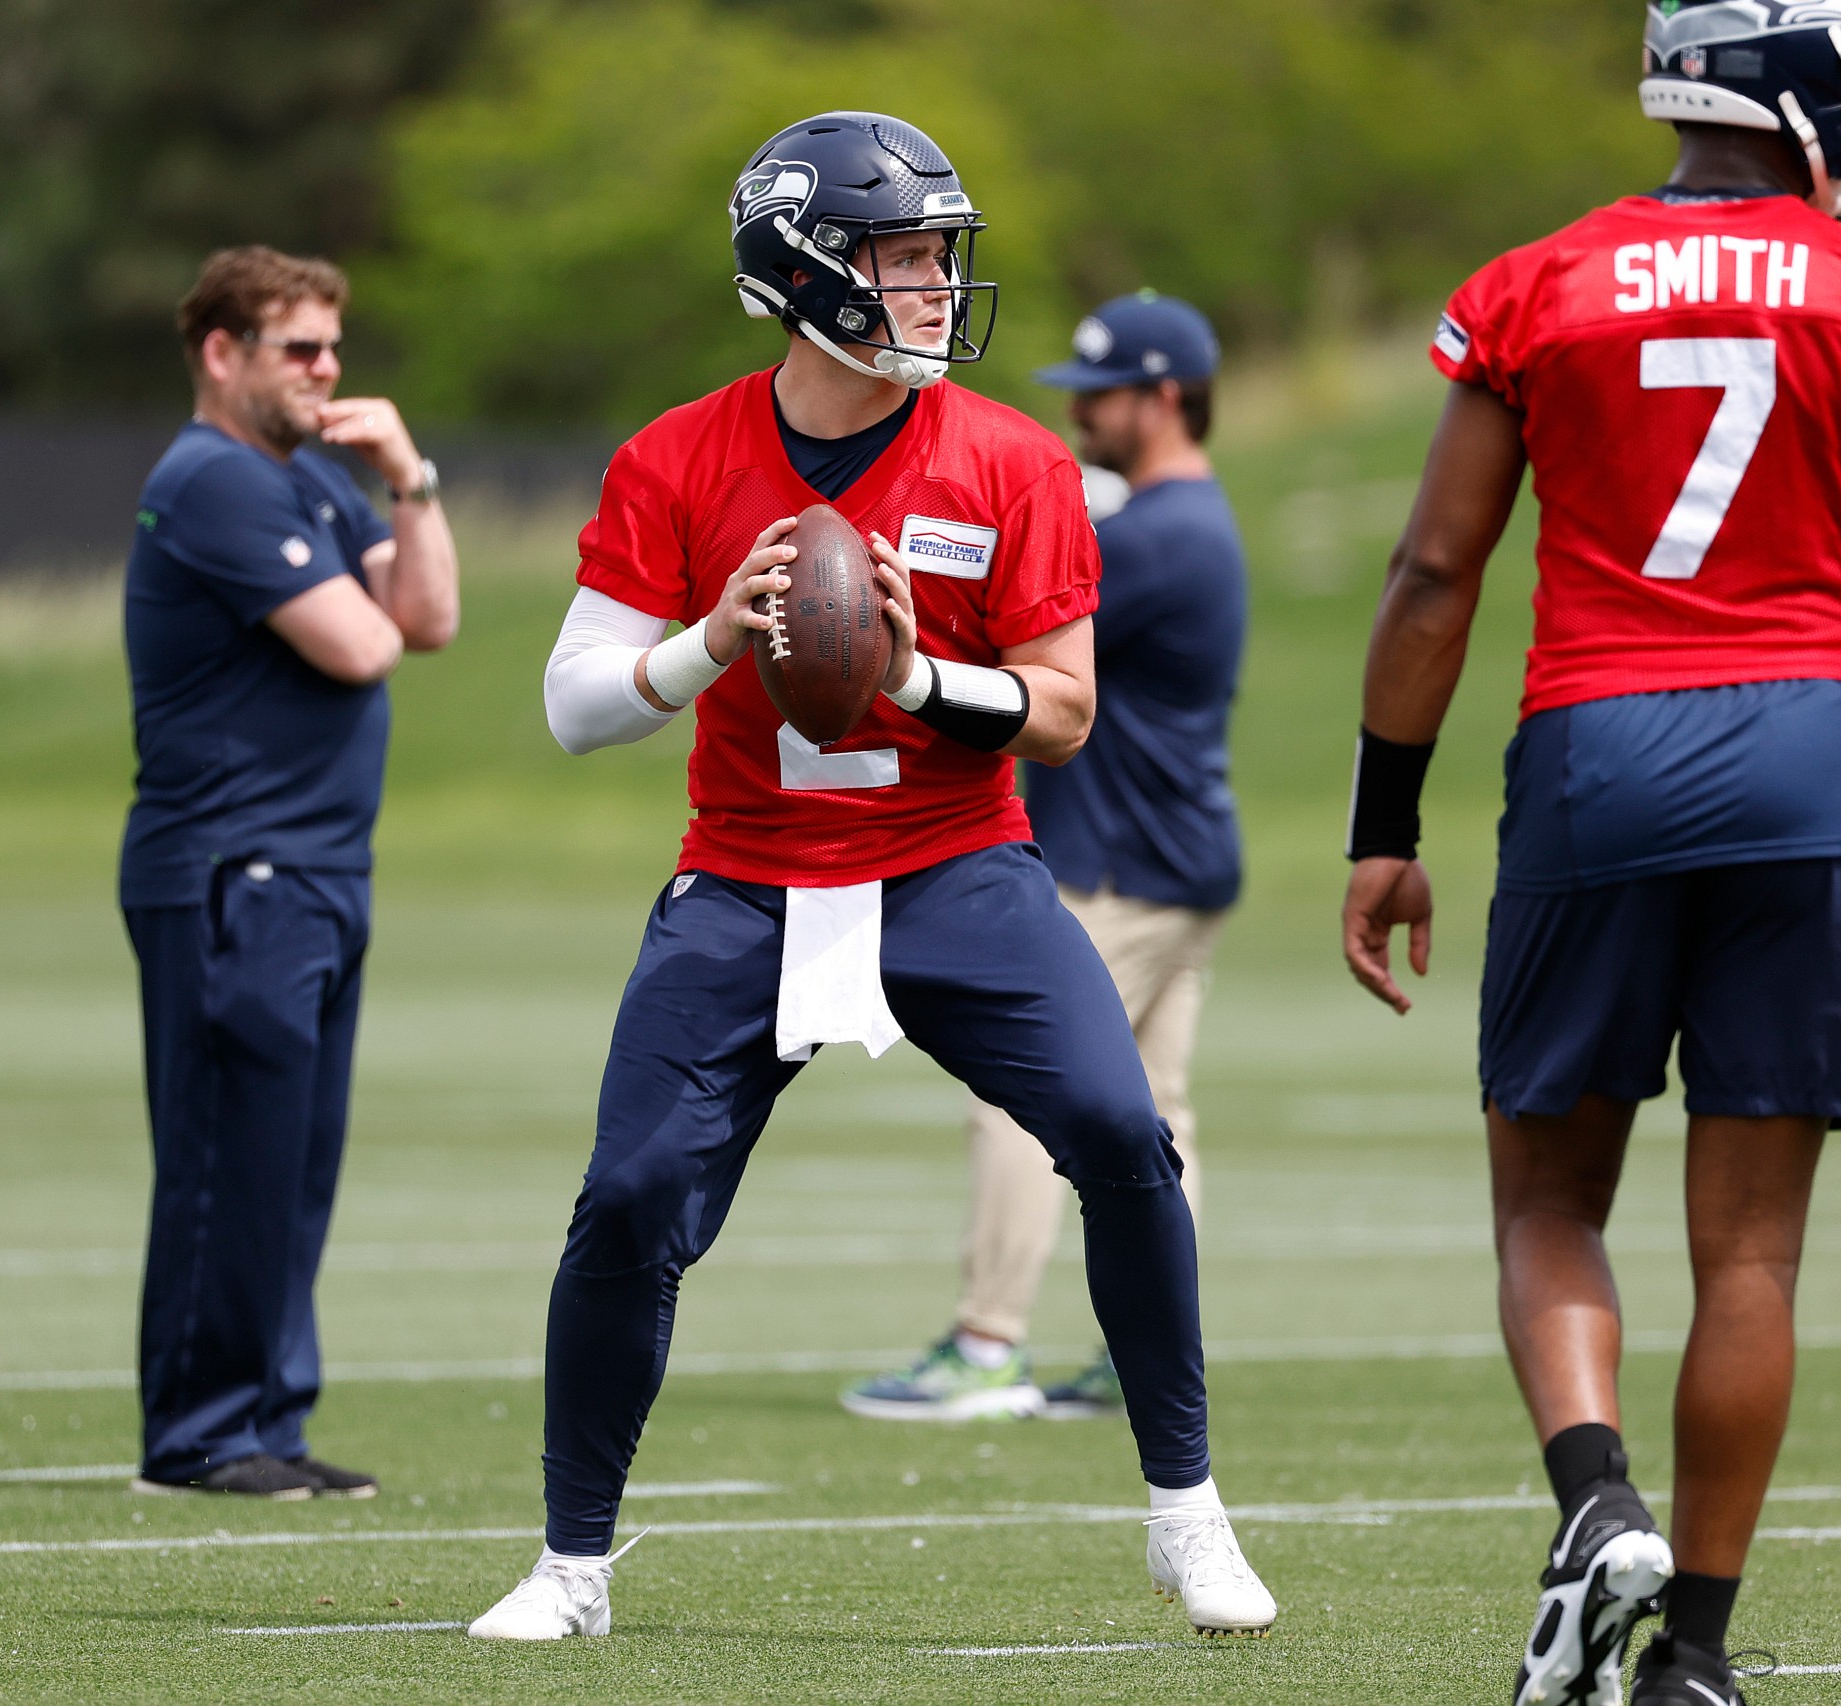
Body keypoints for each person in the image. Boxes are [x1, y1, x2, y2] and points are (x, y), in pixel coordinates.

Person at [1337, 7, 1841, 1704]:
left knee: (1546, 1196)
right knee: (1750, 1253)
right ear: (1800, 91)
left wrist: (1387, 828)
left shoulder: (1537, 283)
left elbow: (1432, 573)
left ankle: (1596, 1499)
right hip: (1812, 763)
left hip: (1597, 753)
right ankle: (1700, 1662)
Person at [466, 113, 1275, 1643]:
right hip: (750, 873)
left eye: (937, 257)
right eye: (903, 256)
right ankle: (572, 1563)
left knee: (1119, 1128)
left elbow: (1064, 706)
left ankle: (1187, 1509)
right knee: (630, 1195)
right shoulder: (678, 453)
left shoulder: (1015, 457)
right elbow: (575, 704)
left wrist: (911, 678)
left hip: (956, 863)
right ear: (803, 268)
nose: (932, 287)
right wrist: (714, 637)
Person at [842, 291, 1246, 1423]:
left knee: (1023, 1098)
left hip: (1119, 862)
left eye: (1105, 396)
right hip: (1183, 854)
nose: (1084, 416)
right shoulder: (1191, 521)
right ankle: (1146, 1349)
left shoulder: (1159, 537)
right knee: (1156, 1108)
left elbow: (1007, 619)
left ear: (1165, 397)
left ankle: (986, 1345)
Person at [119, 247, 458, 1498]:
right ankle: (200, 1433)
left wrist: (410, 481)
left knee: (292, 1163)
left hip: (313, 870)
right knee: (228, 1158)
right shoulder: (211, 479)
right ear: (222, 353)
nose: (325, 371)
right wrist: (389, 500)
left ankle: (265, 1415)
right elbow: (365, 644)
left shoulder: (312, 483)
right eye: (296, 347)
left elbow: (431, 618)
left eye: (331, 348)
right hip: (232, 870)